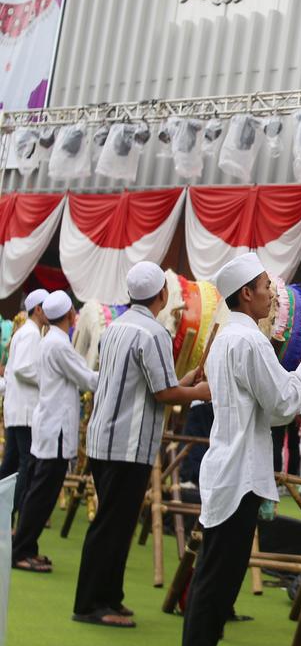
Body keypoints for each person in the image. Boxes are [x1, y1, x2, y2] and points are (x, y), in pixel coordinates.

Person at [177, 253, 301, 646]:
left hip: (231, 466)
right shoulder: (249, 341)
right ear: (246, 294)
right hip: (237, 470)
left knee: (218, 572)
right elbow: (280, 406)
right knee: (217, 576)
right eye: (265, 287)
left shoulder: (230, 338)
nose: (272, 294)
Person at [73, 262, 211, 627]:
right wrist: (198, 390)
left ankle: (109, 598)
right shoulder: (154, 333)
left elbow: (151, 384)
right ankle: (90, 605)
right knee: (110, 527)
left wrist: (186, 382)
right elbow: (165, 392)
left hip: (106, 440)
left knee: (113, 524)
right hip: (127, 445)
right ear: (163, 296)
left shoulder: (116, 327)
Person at [12, 291, 97, 573]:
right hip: (55, 428)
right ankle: (21, 549)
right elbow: (85, 378)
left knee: (39, 491)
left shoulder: (51, 341)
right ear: (72, 315)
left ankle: (26, 547)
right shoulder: (58, 345)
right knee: (42, 494)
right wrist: (114, 375)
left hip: (48, 424)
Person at [1, 288, 47, 524]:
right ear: (38, 309)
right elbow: (23, 369)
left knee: (10, 464)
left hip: (17, 409)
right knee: (24, 465)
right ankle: (8, 514)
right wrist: (47, 379)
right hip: (25, 410)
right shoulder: (31, 334)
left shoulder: (24, 332)